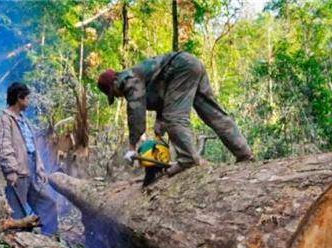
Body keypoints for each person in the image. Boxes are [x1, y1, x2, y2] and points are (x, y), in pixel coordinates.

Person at [97, 51, 254, 176]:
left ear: (114, 84)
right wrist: (159, 125)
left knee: (175, 118)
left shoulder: (128, 80)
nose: (118, 97)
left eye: (114, 94)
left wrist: (131, 147)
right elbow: (164, 97)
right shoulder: (139, 76)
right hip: (191, 63)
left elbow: (136, 115)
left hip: (180, 68)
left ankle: (188, 159)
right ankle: (244, 153)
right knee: (213, 112)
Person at [0, 82, 58, 235]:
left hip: (32, 169)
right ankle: (19, 246)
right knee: (17, 213)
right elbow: (3, 146)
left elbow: (33, 147)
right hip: (18, 171)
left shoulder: (25, 121)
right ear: (19, 98)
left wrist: (40, 167)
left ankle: (51, 240)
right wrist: (10, 171)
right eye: (27, 98)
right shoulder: (3, 119)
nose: (28, 101)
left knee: (48, 204)